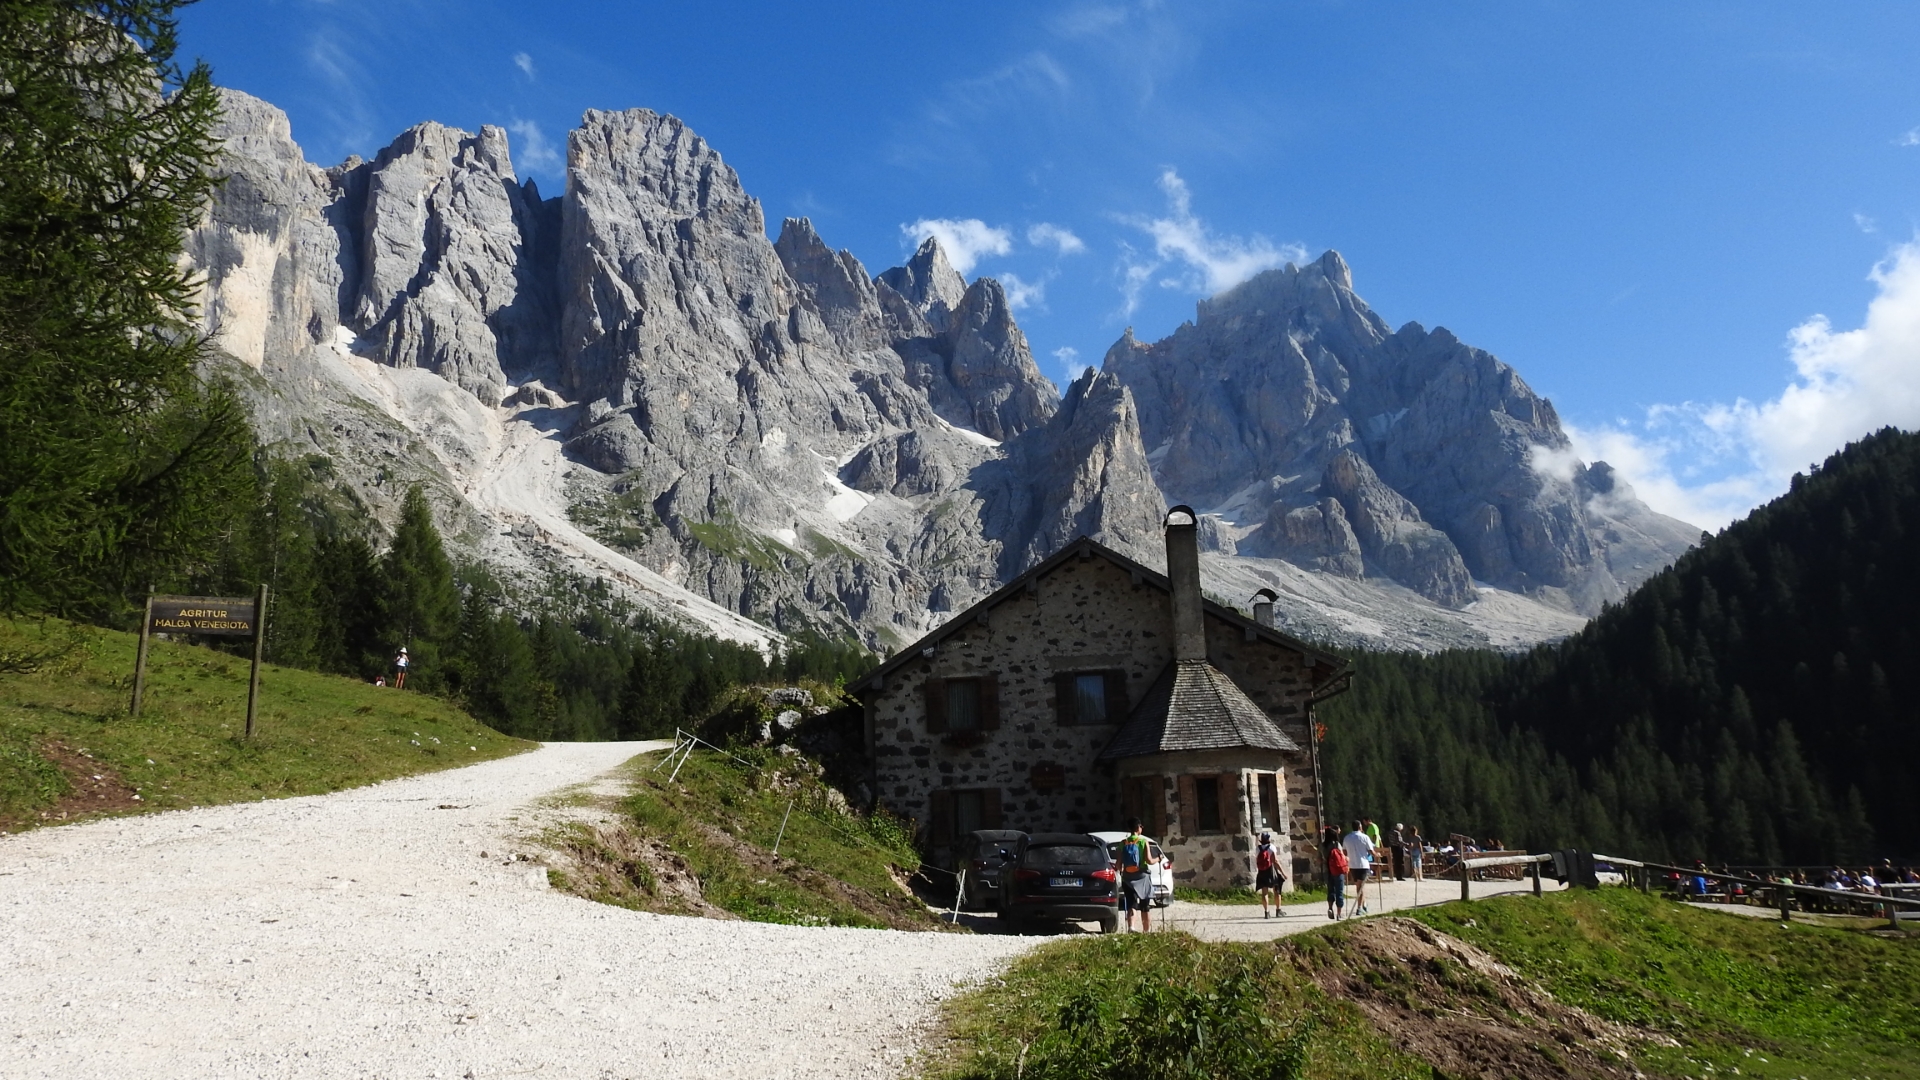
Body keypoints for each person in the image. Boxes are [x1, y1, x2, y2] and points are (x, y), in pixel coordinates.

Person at [1118, 819, 1158, 933]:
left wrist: (1124, 871)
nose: (1142, 828)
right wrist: (1158, 859)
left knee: (1131, 903)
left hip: (1127, 877)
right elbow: (1149, 860)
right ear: (1138, 827)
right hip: (1142, 877)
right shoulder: (1143, 841)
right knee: (1145, 904)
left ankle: (1131, 927)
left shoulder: (1123, 843)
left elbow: (1118, 865)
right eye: (1141, 826)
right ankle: (1147, 931)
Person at [1343, 819, 1376, 917]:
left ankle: (1363, 904)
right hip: (1363, 864)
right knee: (1360, 887)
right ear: (1360, 827)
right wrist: (1377, 854)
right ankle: (1359, 908)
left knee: (1359, 885)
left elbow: (1344, 852)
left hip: (1352, 865)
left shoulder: (1347, 838)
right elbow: (1371, 850)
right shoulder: (1364, 837)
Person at [1254, 830, 1285, 919]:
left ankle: (1266, 912)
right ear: (1268, 839)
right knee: (1277, 890)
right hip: (1271, 871)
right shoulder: (1271, 847)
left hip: (1262, 871)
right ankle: (1278, 910)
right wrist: (1283, 872)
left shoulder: (1258, 849)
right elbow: (1275, 861)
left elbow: (1256, 860)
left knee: (1264, 892)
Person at [1326, 837, 1349, 919]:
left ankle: (1330, 908)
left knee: (1331, 890)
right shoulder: (1337, 844)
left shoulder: (1323, 845)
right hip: (1338, 871)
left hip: (1329, 870)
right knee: (1339, 891)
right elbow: (1342, 857)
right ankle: (1339, 914)